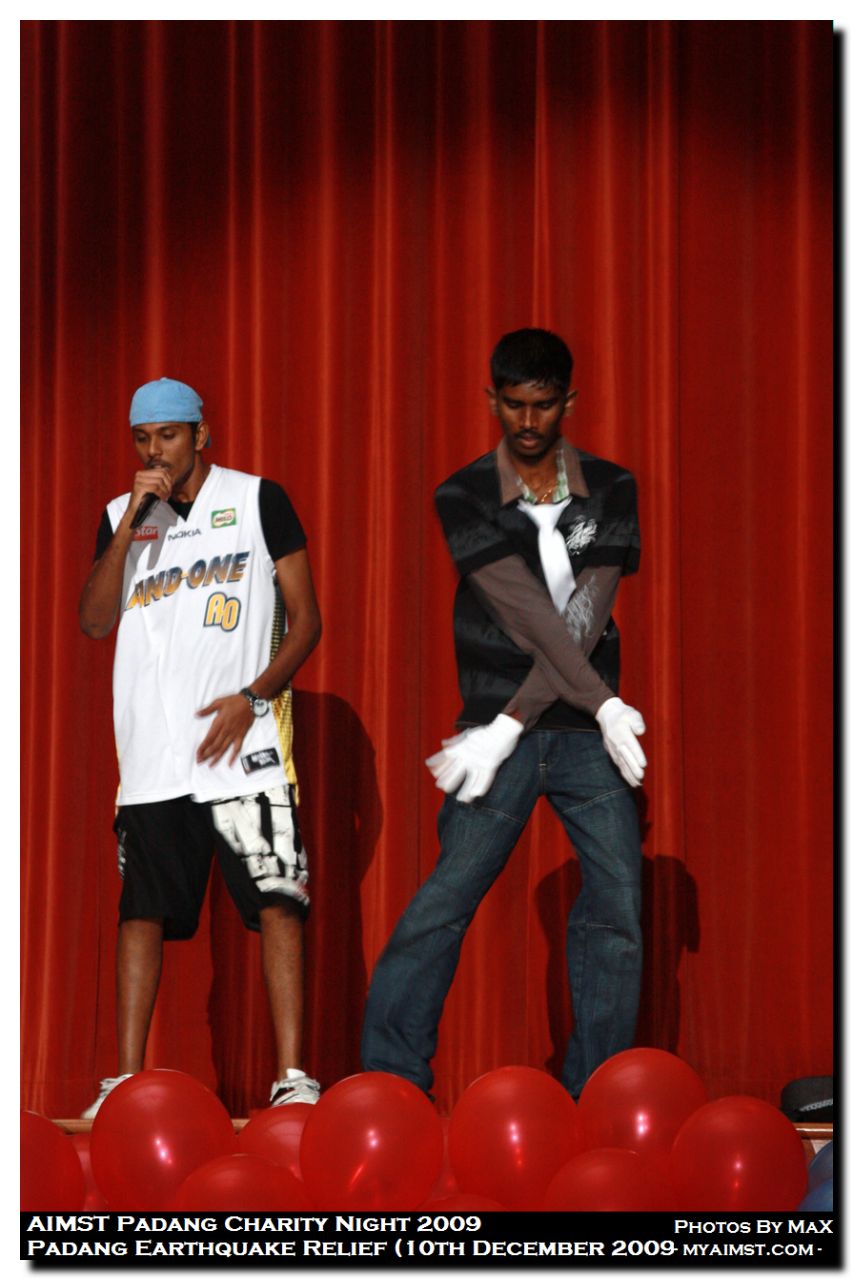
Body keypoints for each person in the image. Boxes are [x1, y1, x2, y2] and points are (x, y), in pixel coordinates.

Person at [361, 328, 646, 1101]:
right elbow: (526, 616)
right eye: (512, 405)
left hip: (578, 735)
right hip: (497, 727)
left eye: (542, 405)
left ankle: (597, 1094)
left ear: (567, 402)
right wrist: (538, 717)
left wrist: (561, 714)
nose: (526, 421)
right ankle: (390, 1083)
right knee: (444, 902)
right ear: (492, 399)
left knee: (619, 906)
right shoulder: (462, 494)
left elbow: (583, 619)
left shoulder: (611, 487)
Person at [79, 377, 322, 1118]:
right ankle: (123, 1081)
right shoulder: (121, 515)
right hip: (153, 756)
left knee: (277, 900)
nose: (155, 451)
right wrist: (130, 525)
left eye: (169, 435)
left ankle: (292, 1076)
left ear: (200, 434)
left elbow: (307, 620)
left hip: (243, 747)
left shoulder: (256, 500)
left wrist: (254, 696)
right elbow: (94, 621)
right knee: (141, 912)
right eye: (143, 438)